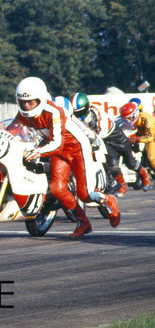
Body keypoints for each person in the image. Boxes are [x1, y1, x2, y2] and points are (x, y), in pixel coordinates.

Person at [13, 77, 119, 238]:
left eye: (31, 102)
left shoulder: (53, 111)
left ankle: (108, 200)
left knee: (85, 194)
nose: (26, 105)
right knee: (56, 189)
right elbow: (13, 129)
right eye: (23, 102)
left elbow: (57, 142)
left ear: (41, 99)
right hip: (57, 151)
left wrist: (38, 151)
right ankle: (83, 223)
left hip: (76, 148)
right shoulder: (23, 114)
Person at [72, 92, 149, 196]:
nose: (78, 114)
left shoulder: (96, 111)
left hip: (114, 135)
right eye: (75, 112)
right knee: (112, 165)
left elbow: (100, 131)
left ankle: (144, 174)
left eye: (80, 111)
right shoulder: (74, 117)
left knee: (130, 162)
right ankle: (122, 185)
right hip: (104, 141)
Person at [119, 100, 155, 186]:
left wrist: (136, 139)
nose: (127, 121)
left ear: (135, 115)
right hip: (141, 134)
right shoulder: (129, 120)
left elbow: (151, 137)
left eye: (128, 118)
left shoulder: (147, 120)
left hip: (152, 137)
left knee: (151, 157)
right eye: (125, 119)